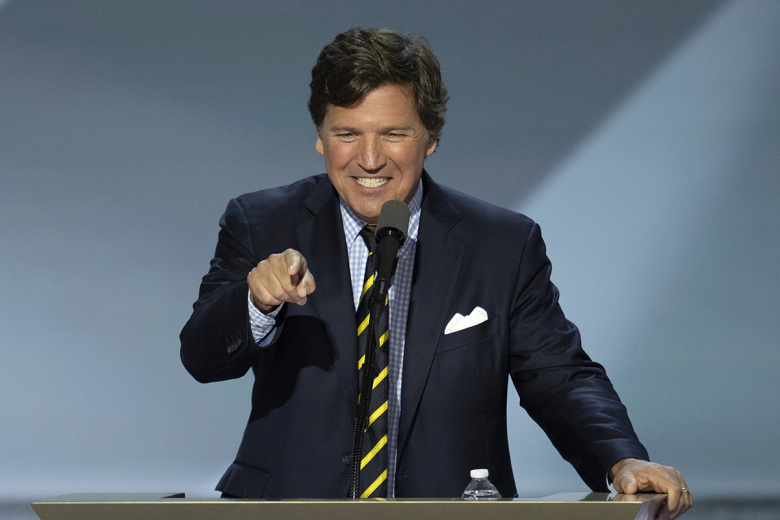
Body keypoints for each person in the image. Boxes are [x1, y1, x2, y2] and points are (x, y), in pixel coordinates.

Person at [180, 27, 692, 518]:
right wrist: (255, 302)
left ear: (431, 137)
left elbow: (559, 377)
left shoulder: (501, 244)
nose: (369, 159)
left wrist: (620, 459)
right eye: (347, 134)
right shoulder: (263, 222)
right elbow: (201, 357)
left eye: (393, 134)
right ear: (321, 138)